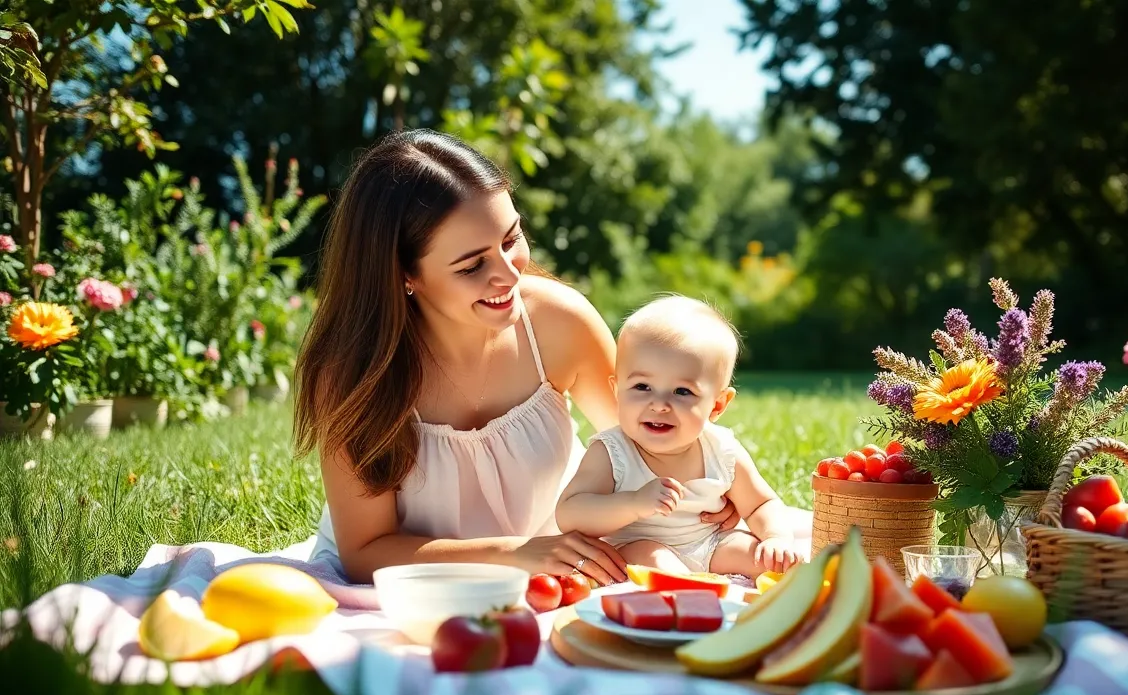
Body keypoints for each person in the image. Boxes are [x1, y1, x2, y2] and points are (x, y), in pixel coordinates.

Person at [291, 130, 740, 585]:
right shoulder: (354, 373)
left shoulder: (559, 323)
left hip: (557, 569)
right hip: (421, 582)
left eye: (511, 239)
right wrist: (515, 553)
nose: (509, 274)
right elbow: (364, 553)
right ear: (406, 275)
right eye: (472, 266)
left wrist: (714, 495)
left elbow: (647, 446)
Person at [554, 296, 802, 579]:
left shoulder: (722, 450)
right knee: (652, 558)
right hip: (635, 547)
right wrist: (634, 503)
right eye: (642, 386)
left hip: (710, 544)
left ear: (717, 405)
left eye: (682, 392)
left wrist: (775, 538)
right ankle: (686, 590)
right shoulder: (612, 452)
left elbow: (761, 504)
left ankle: (782, 597)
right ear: (617, 391)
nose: (659, 404)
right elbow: (570, 514)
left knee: (763, 558)